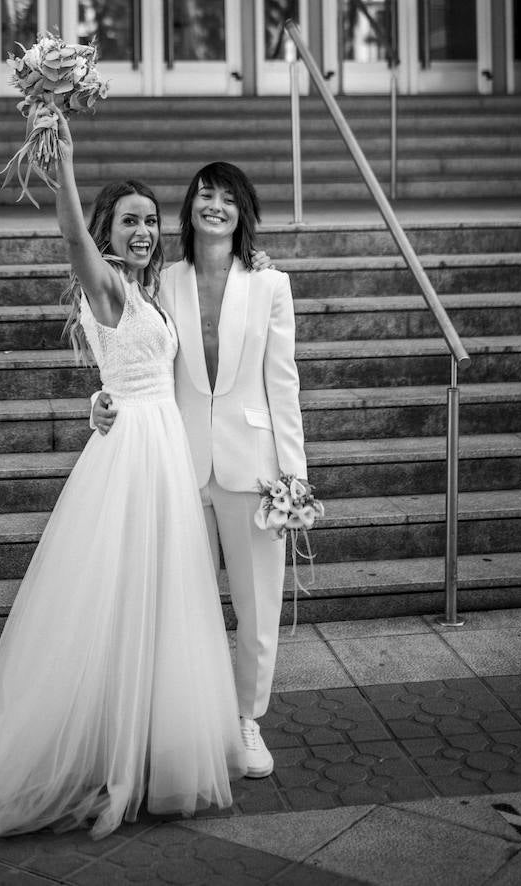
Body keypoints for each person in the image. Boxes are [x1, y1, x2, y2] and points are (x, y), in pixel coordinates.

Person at [0, 114, 246, 847]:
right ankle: (104, 747)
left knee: (159, 593)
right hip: (131, 458)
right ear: (109, 231)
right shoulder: (105, 281)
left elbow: (140, 370)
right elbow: (71, 237)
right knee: (116, 594)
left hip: (159, 445)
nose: (142, 230)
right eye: (129, 221)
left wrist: (100, 397)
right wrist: (67, 164)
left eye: (148, 220)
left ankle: (143, 737)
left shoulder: (149, 293)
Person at [93, 161, 308, 779]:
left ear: (243, 212)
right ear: (186, 210)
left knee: (257, 605)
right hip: (177, 462)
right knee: (180, 602)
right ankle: (185, 720)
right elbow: (133, 353)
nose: (214, 205)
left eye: (228, 198)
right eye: (204, 195)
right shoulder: (164, 281)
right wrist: (100, 403)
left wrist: (294, 476)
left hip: (255, 467)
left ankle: (246, 719)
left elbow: (283, 384)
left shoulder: (271, 285)